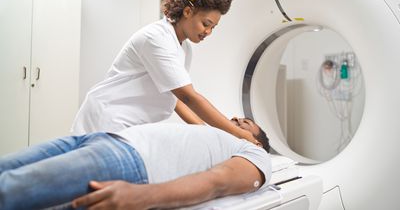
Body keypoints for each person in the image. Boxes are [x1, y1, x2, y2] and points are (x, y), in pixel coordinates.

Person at [71, 0, 259, 145]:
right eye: (206, 23)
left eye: (213, 27)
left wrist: (206, 131)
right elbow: (188, 97)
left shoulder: (184, 48)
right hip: (108, 117)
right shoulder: (157, 38)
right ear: (188, 12)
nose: (208, 32)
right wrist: (239, 134)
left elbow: (175, 97)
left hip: (129, 123)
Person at [0, 118, 271, 210]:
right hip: (101, 139)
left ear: (257, 142)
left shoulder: (256, 155)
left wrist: (141, 197)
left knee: (9, 190)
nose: (234, 119)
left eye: (245, 123)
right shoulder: (211, 133)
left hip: (128, 160)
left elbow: (218, 182)